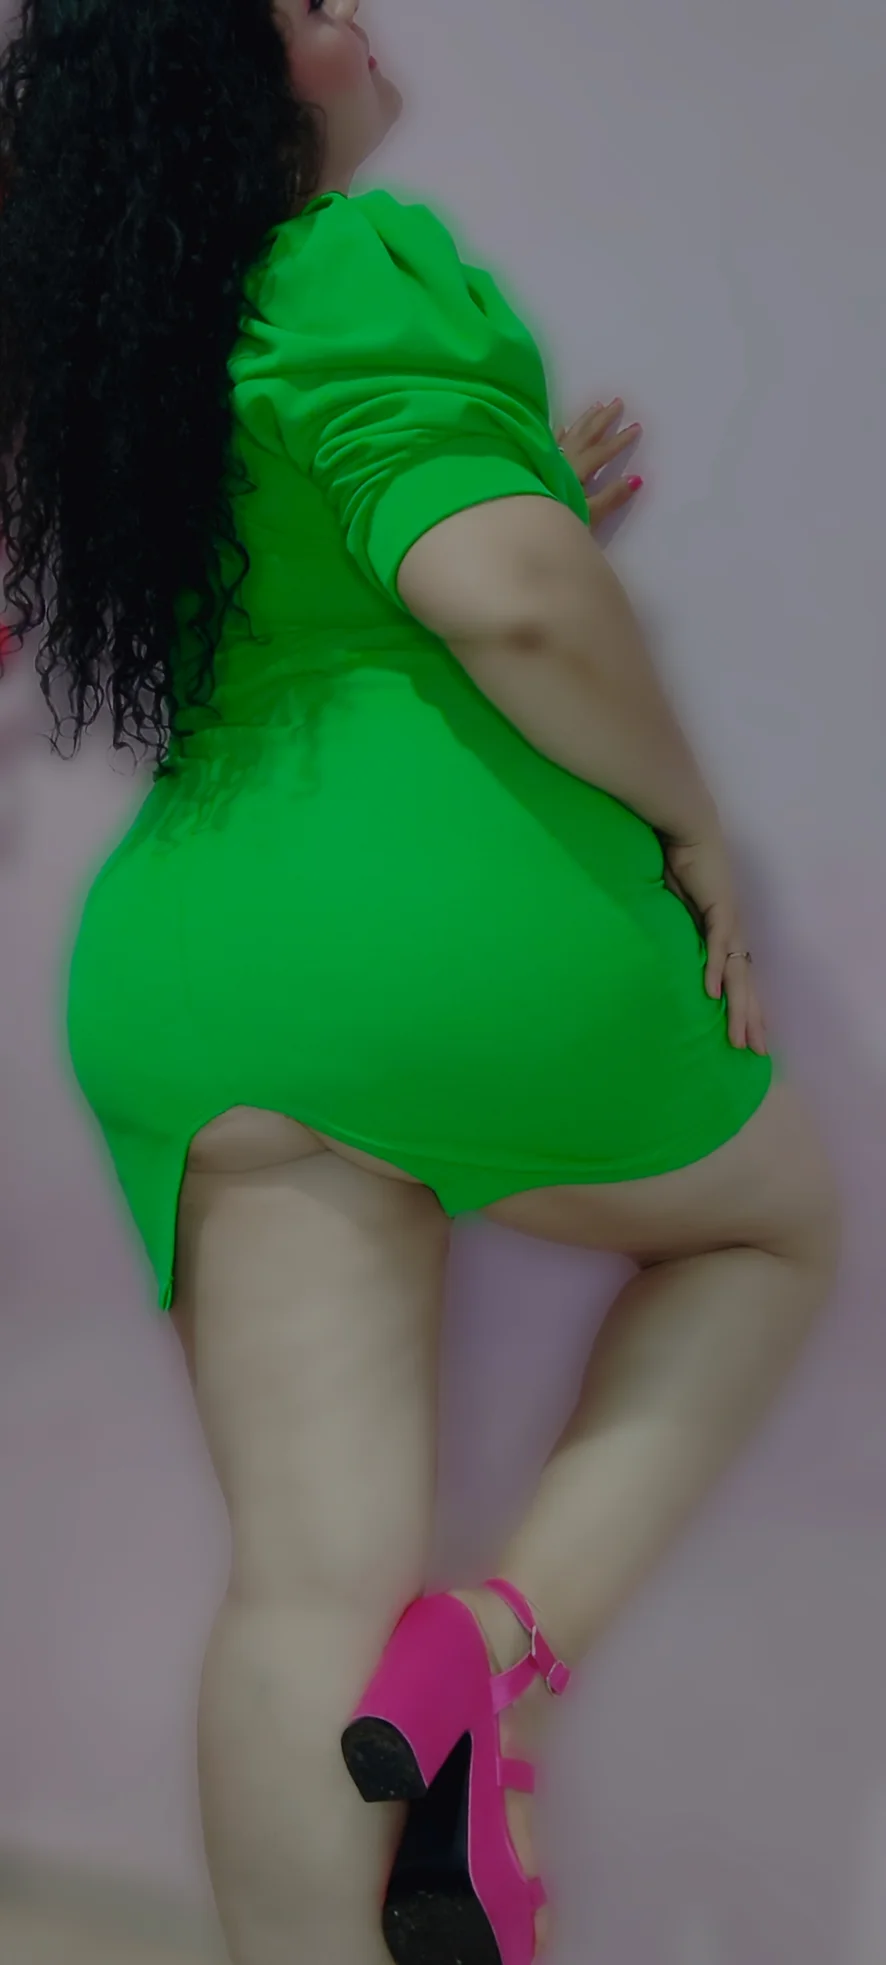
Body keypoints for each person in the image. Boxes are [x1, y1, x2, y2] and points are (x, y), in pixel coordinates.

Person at [0, 3, 841, 1963]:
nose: (355, 17)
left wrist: (505, 468)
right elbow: (507, 601)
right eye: (304, 4)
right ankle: (499, 1640)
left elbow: (334, 566)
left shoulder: (136, 363)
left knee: (301, 1586)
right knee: (768, 1232)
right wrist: (687, 818)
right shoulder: (350, 258)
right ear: (227, 84)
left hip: (190, 972)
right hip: (439, 932)